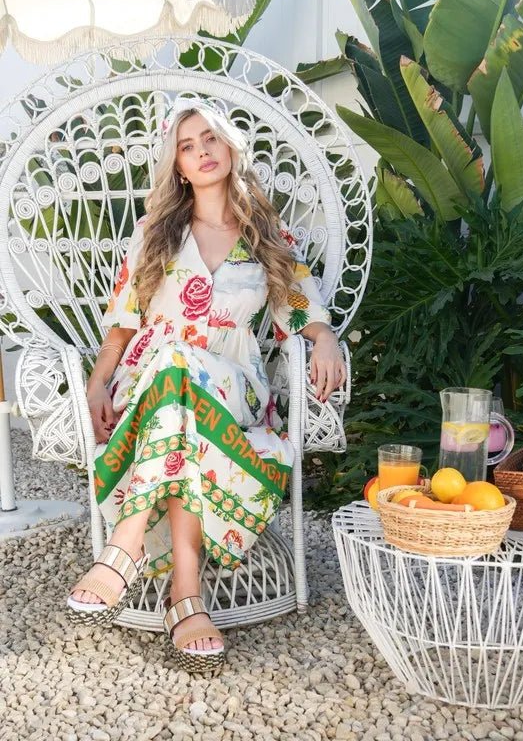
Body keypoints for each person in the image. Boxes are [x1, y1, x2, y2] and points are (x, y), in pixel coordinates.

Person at [66, 97, 347, 673]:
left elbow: (298, 304)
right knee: (173, 366)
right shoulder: (154, 236)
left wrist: (323, 338)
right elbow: (122, 326)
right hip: (151, 382)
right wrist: (98, 385)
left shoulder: (265, 234)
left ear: (229, 147)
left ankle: (123, 548)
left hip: (232, 385)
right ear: (179, 166)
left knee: (181, 369)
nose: (202, 153)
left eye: (210, 139)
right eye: (188, 147)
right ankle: (186, 597)